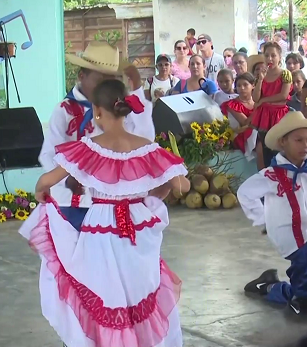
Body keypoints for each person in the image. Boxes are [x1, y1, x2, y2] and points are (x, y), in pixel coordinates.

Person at [21, 79, 190, 347]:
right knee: (139, 286)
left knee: (104, 287)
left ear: (97, 111)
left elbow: (46, 181)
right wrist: (153, 196)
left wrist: (41, 193)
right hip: (139, 225)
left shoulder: (89, 147)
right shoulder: (146, 147)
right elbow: (181, 185)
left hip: (102, 224)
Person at [40, 41, 154, 234]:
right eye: (101, 81)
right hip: (72, 203)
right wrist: (67, 179)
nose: (106, 88)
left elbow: (144, 141)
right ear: (81, 76)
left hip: (111, 202)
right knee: (73, 257)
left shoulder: (120, 109)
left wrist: (136, 91)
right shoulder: (65, 110)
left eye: (112, 82)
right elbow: (50, 153)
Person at [238, 111, 307, 315]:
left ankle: (274, 285)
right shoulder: (271, 175)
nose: (305, 145)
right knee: (304, 281)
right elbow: (245, 193)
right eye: (299, 140)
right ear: (283, 142)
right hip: (292, 237)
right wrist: (262, 220)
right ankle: (282, 292)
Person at [251, 41, 293, 170]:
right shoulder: (260, 76)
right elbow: (255, 98)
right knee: (265, 148)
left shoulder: (285, 74)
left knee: (279, 147)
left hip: (279, 115)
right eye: (267, 55)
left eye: (273, 55)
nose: (270, 58)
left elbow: (283, 96)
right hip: (264, 116)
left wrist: (264, 101)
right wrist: (261, 80)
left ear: (280, 57)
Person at [220, 73, 257, 161]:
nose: (242, 88)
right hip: (241, 135)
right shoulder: (232, 104)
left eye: (245, 84)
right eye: (239, 85)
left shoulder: (257, 102)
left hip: (253, 130)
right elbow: (245, 122)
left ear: (253, 85)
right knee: (257, 133)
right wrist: (259, 109)